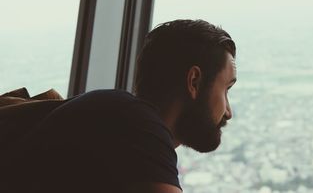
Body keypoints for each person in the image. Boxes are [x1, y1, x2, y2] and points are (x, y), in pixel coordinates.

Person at [1, 19, 237, 193]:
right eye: (226, 89)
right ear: (194, 81)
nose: (228, 112)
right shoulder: (136, 123)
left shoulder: (116, 121)